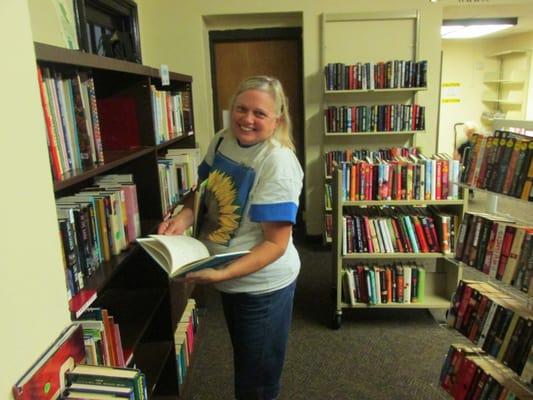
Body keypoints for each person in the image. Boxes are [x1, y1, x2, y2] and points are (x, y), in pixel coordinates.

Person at [158, 75, 303, 400]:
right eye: (241, 109)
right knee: (245, 360)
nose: (247, 119)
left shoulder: (278, 162)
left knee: (256, 382)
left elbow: (275, 245)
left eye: (259, 113)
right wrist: (184, 217)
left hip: (261, 286)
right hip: (229, 276)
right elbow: (205, 189)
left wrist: (221, 274)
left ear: (277, 119)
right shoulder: (224, 139)